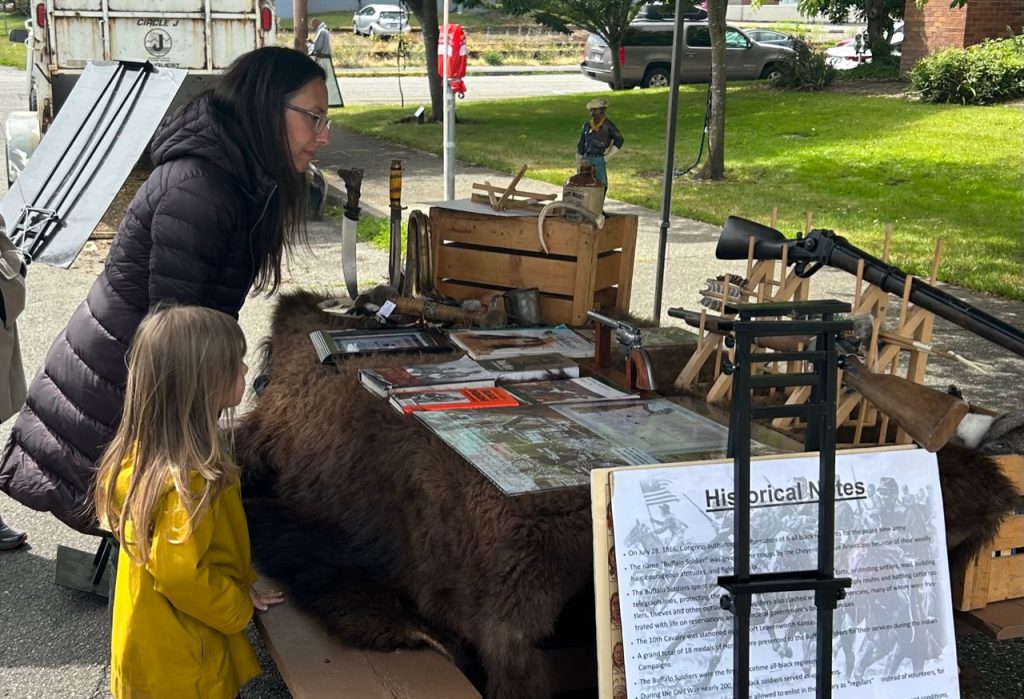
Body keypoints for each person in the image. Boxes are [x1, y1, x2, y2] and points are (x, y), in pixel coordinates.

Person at [0, 46, 331, 536]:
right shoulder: (201, 190)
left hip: (133, 362)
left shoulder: (237, 175)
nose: (323, 136)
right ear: (264, 107)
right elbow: (173, 341)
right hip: (121, 371)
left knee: (142, 511)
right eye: (314, 118)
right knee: (142, 515)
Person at [94, 305, 284, 698]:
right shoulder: (189, 480)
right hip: (182, 664)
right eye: (236, 364)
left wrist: (237, 583)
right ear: (203, 385)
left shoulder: (144, 454)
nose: (246, 371)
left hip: (154, 644)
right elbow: (182, 575)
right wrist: (235, 605)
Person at [576, 97, 624, 191]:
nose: (592, 113)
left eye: (595, 110)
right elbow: (581, 144)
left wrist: (608, 156)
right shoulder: (587, 126)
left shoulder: (608, 126)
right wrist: (579, 160)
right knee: (582, 184)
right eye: (591, 110)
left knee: (601, 184)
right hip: (586, 159)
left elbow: (619, 139)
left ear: (602, 110)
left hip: (598, 159)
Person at [308, 18, 344, 108]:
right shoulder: (324, 31)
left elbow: (317, 47)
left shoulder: (321, 32)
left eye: (312, 26)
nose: (312, 28)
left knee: (322, 79)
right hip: (325, 58)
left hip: (322, 58)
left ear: (316, 24)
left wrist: (309, 45)